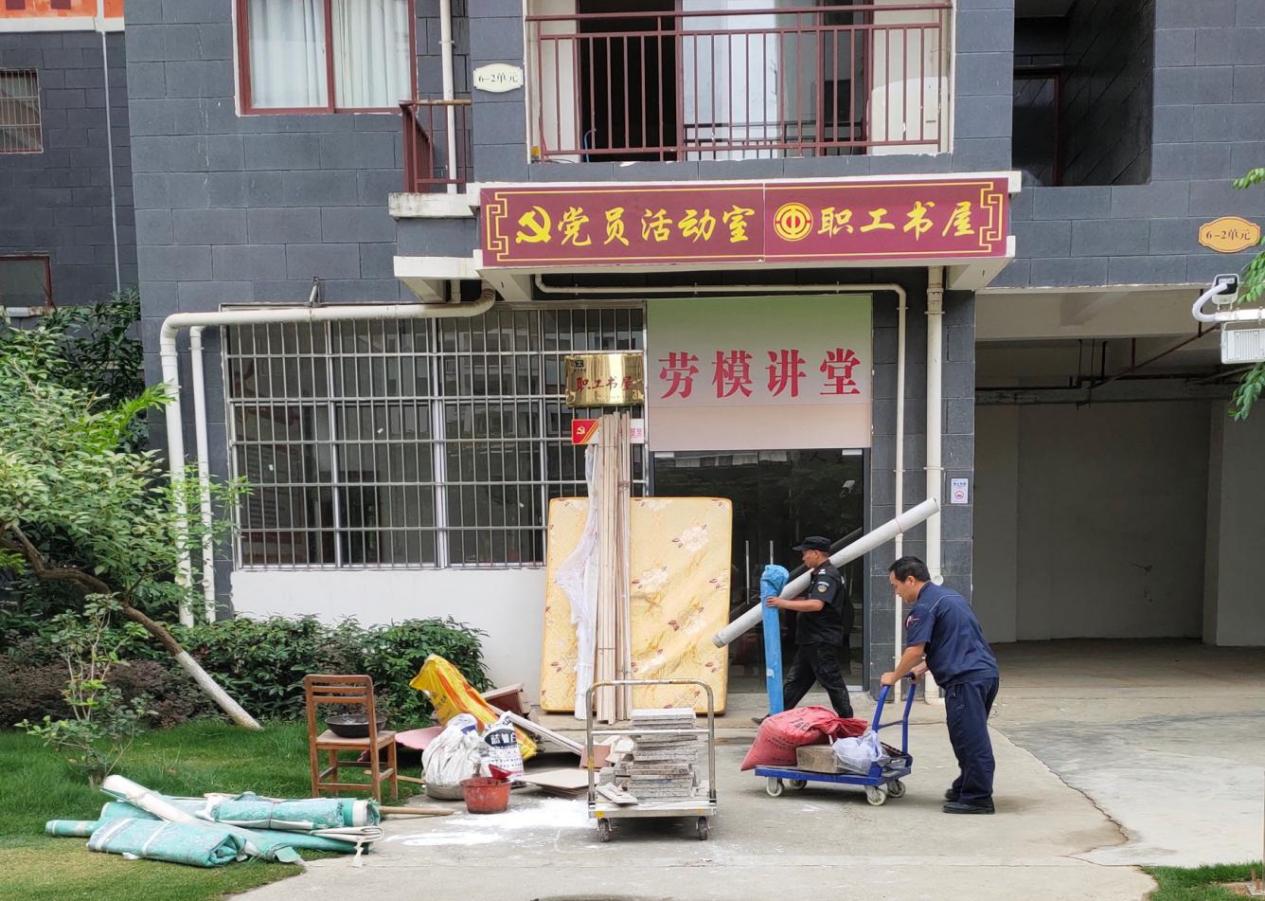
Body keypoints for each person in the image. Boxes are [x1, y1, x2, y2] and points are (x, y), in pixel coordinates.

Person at [880, 556, 1000, 815]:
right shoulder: (950, 597)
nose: (896, 593)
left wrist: (894, 676)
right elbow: (955, 640)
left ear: (910, 580)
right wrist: (924, 668)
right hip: (983, 674)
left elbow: (914, 650)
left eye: (895, 586)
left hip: (966, 679)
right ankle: (965, 786)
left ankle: (978, 797)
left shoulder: (924, 607)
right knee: (966, 734)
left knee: (970, 738)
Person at [757, 535, 854, 722]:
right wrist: (786, 602)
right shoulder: (819, 574)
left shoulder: (827, 575)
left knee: (832, 681)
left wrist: (782, 603)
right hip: (811, 639)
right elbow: (811, 600)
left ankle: (848, 720)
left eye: (805, 553)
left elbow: (816, 604)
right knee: (796, 682)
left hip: (821, 639)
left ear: (816, 553)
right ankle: (774, 717)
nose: (803, 558)